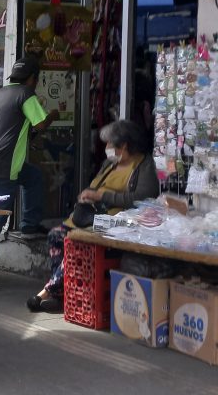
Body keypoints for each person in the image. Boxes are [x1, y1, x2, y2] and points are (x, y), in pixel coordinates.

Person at [27, 120, 160, 313]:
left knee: (75, 243)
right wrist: (87, 194)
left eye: (110, 144)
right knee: (56, 235)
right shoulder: (110, 163)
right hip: (91, 216)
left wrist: (102, 196)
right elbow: (95, 185)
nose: (106, 148)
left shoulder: (144, 166)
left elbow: (142, 198)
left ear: (124, 146)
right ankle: (62, 293)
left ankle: (50, 292)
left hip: (114, 222)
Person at [0, 57, 59, 290]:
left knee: (34, 177)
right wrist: (53, 116)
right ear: (32, 79)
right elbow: (40, 125)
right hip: (5, 162)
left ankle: (29, 224)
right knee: (0, 212)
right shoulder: (26, 94)